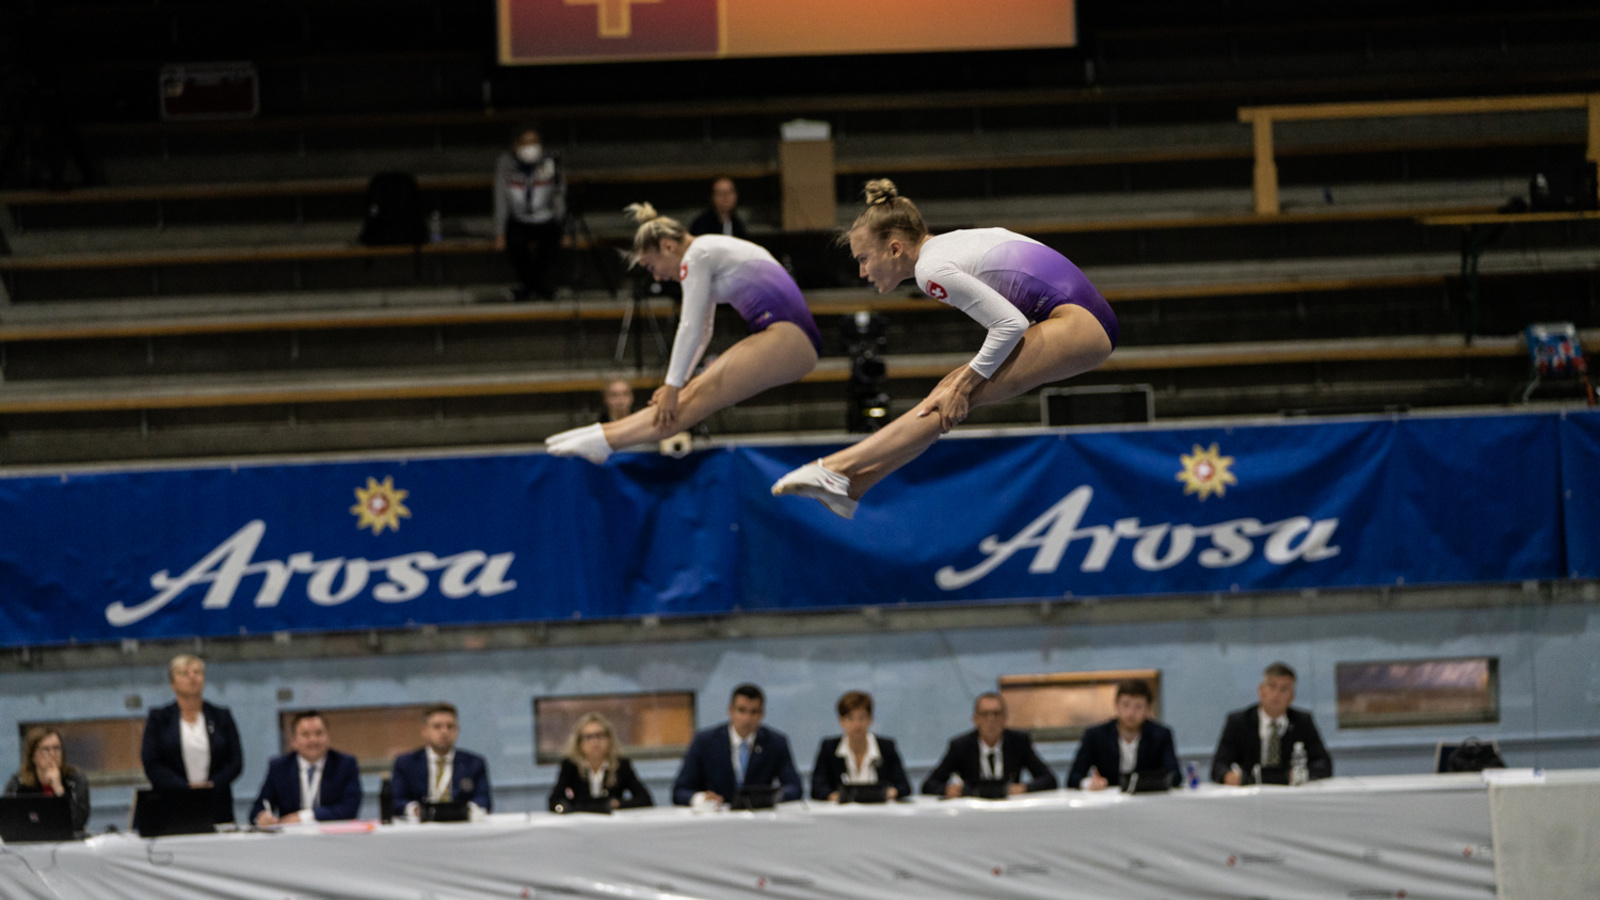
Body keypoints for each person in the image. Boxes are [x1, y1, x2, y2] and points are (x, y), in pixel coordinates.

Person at [773, 179, 1118, 518]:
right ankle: (854, 485)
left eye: (863, 259)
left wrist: (965, 384)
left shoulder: (930, 269)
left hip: (1082, 324)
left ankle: (836, 467)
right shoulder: (947, 245)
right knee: (945, 394)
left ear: (894, 248)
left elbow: (1009, 324)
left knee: (954, 396)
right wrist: (961, 383)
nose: (863, 272)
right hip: (1079, 317)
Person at [545, 204, 822, 464]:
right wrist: (675, 384)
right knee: (688, 394)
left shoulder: (697, 254)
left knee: (693, 401)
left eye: (652, 266)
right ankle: (603, 433)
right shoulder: (709, 251)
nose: (656, 277)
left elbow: (688, 326)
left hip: (789, 336)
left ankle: (607, 440)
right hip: (786, 336)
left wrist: (673, 384)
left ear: (667, 246)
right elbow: (703, 330)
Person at [140, 654, 244, 824]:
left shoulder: (221, 716)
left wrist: (211, 785)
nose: (192, 677)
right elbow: (152, 762)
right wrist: (185, 788)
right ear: (172, 684)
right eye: (184, 673)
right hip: (172, 803)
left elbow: (235, 761)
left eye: (197, 672)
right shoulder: (159, 719)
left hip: (216, 803)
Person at [671, 683, 803, 806]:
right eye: (741, 710)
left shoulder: (775, 742)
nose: (747, 718)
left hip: (759, 818)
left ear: (762, 714)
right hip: (717, 817)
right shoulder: (706, 741)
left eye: (754, 712)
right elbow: (680, 791)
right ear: (730, 711)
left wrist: (771, 797)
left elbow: (794, 787)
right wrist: (701, 799)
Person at [1210, 662, 1333, 785]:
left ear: (1292, 696)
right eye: (1272, 687)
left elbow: (1324, 764)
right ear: (1261, 691)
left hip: (1291, 793)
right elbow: (1219, 765)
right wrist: (1228, 776)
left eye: (1284, 689)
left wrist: (1301, 774)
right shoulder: (1239, 722)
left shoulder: (1302, 722)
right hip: (1248, 792)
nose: (1276, 694)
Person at [921, 692, 1057, 797]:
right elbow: (928, 785)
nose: (991, 720)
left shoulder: (1018, 742)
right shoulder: (961, 746)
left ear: (1005, 719)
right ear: (975, 719)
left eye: (996, 714)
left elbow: (1049, 779)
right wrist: (947, 789)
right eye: (985, 714)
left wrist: (1024, 788)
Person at [493, 125, 567, 301]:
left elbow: (559, 196)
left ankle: (536, 286)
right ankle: (529, 286)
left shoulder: (551, 162)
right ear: (515, 145)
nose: (530, 147)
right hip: (519, 219)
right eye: (525, 142)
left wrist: (563, 228)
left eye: (534, 142)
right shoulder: (506, 164)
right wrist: (499, 233)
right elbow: (500, 198)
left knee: (550, 243)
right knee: (516, 244)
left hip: (545, 218)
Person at [250, 711, 363, 825]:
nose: (313, 740)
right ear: (294, 741)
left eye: (319, 734)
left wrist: (304, 817)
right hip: (290, 838)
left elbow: (349, 808)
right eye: (306, 735)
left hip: (334, 836)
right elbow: (258, 808)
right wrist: (262, 816)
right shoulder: (279, 767)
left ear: (328, 737)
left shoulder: (345, 764)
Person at [1066, 680, 1180, 791]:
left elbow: (1175, 776)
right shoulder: (1096, 735)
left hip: (1148, 800)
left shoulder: (1160, 735)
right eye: (1125, 705)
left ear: (1148, 709)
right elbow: (1073, 777)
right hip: (1108, 802)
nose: (1131, 713)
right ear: (1116, 705)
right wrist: (1088, 783)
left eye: (1138, 707)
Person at [389, 703, 492, 817]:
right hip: (420, 828)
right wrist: (416, 810)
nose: (444, 732)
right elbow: (396, 800)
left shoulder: (474, 763)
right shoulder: (406, 763)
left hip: (462, 826)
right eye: (437, 726)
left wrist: (466, 810)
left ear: (457, 730)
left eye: (450, 726)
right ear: (425, 730)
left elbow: (484, 800)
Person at [809, 691, 912, 801]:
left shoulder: (886, 747)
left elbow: (904, 787)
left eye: (862, 718)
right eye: (850, 718)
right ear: (841, 721)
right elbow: (817, 788)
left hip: (879, 812)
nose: (856, 724)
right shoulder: (829, 748)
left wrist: (891, 792)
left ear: (870, 719)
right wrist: (834, 796)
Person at [547, 713, 653, 811]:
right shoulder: (570, 765)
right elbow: (554, 801)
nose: (595, 742)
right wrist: (569, 807)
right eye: (588, 737)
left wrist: (618, 804)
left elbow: (645, 800)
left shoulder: (621, 765)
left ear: (609, 739)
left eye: (600, 736)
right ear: (578, 742)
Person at [5, 727, 90, 832]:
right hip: (30, 842)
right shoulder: (19, 783)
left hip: (67, 842)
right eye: (46, 750)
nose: (52, 755)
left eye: (56, 749)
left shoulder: (75, 780)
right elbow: (7, 821)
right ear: (33, 756)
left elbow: (78, 822)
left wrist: (58, 789)